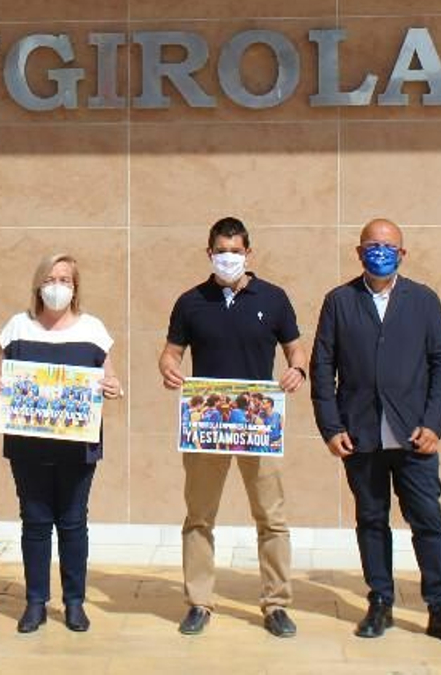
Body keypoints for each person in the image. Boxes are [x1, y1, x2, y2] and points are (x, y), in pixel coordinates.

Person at [310, 218, 441, 648]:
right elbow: (322, 367)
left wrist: (434, 423)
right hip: (360, 435)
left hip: (414, 436)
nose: (379, 252)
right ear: (359, 251)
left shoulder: (423, 300)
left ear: (402, 254)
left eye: (388, 246)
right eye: (372, 245)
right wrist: (331, 427)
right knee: (371, 520)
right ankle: (380, 600)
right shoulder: (339, 301)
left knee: (427, 523)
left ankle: (440, 607)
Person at [159, 216, 307, 639]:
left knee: (272, 518)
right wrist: (170, 370)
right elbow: (170, 353)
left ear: (248, 253)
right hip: (207, 424)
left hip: (259, 425)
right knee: (199, 517)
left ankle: (276, 603)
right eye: (221, 251)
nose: (228, 258)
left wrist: (296, 370)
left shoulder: (274, 299)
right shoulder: (191, 301)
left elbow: (296, 350)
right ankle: (199, 602)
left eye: (235, 251)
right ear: (209, 253)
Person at [0, 254, 123, 634]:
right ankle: (35, 602)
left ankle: (74, 602)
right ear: (37, 285)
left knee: (74, 522)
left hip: (78, 446)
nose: (57, 286)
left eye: (65, 279)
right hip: (28, 446)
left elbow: (111, 379)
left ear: (75, 287)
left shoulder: (93, 329)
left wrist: (114, 387)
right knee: (36, 522)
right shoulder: (16, 327)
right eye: (51, 278)